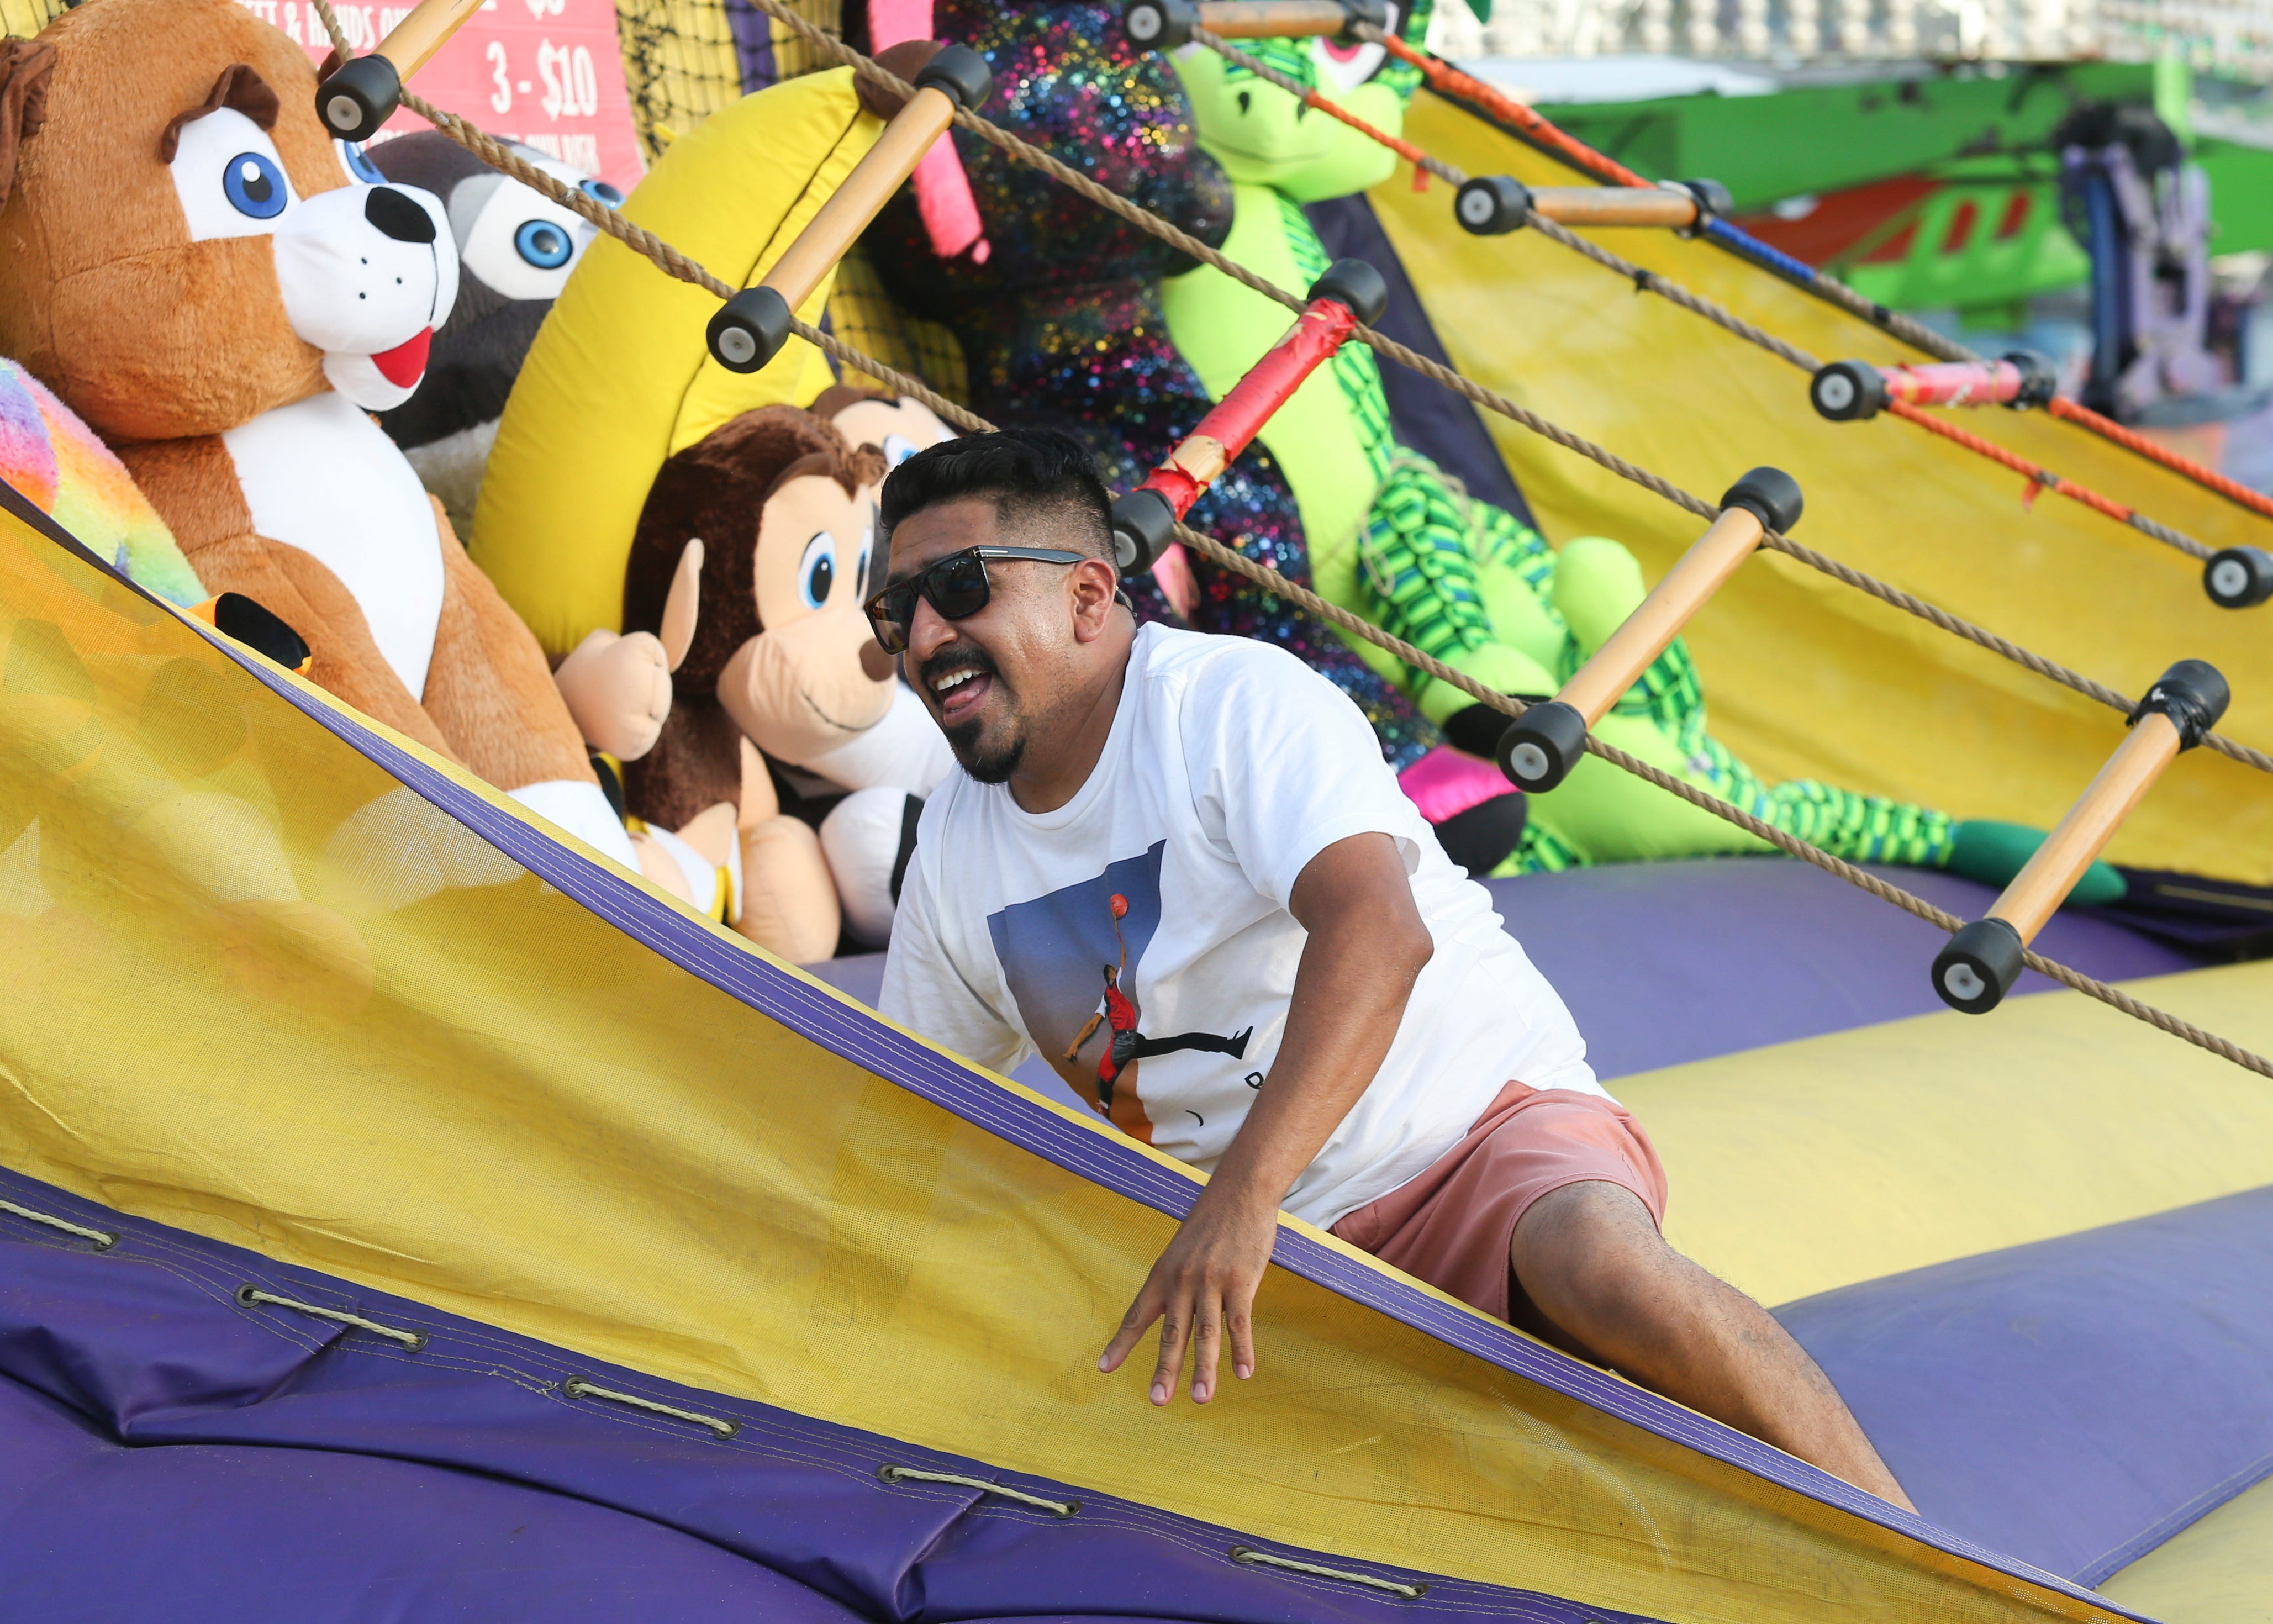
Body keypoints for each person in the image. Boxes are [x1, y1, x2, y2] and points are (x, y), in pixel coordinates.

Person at [871, 428, 1913, 1510]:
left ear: (1091, 596)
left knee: (1592, 1262)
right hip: (1273, 1265)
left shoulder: (1228, 706)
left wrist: (1242, 1203)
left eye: (959, 589)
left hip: (1465, 1139)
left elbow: (1380, 932)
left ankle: (1929, 1570)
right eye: (899, 612)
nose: (928, 636)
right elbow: (904, 1130)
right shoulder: (955, 855)